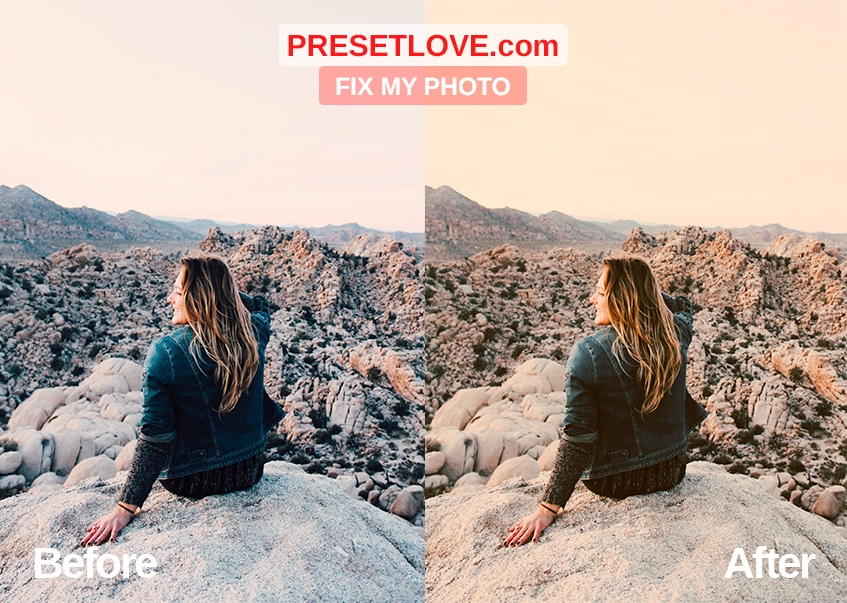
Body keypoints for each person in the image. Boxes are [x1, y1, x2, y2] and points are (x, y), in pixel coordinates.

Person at [505, 255, 706, 547]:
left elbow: (578, 437)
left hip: (614, 480)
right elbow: (684, 306)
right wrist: (644, 290)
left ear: (621, 299)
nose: (591, 299)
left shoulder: (588, 354)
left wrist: (548, 507)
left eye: (600, 292)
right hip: (671, 469)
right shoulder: (675, 334)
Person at [83, 254, 284, 546]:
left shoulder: (166, 354)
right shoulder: (253, 333)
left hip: (192, 480)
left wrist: (125, 507)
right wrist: (221, 289)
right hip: (249, 469)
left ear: (199, 299)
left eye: (178, 292)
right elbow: (261, 305)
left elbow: (155, 436)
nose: (169, 298)